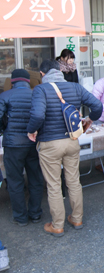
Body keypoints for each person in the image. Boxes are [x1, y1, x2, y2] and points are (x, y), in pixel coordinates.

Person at [26, 59, 103, 237]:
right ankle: (77, 219)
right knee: (74, 181)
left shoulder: (41, 89)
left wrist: (31, 131)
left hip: (50, 143)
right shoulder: (75, 87)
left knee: (54, 185)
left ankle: (58, 225)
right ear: (59, 72)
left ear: (42, 75)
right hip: (72, 141)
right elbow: (97, 105)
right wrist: (90, 119)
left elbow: (37, 114)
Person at [0, 69, 44, 226]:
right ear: (27, 81)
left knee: (15, 181)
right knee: (35, 178)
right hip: (33, 143)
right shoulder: (36, 95)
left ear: (13, 81)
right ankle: (36, 213)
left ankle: (20, 217)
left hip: (13, 145)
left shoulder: (4, 96)